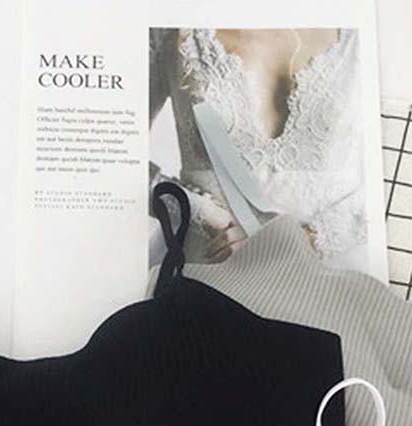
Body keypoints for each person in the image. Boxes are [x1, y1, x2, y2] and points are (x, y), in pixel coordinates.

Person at [150, 28, 366, 267]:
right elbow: (120, 162)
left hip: (336, 268)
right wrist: (202, 213)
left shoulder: (359, 33)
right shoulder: (168, 29)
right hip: (211, 264)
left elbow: (389, 171)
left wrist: (310, 239)